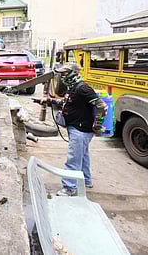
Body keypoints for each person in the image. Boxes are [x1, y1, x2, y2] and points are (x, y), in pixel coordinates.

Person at [36, 62, 107, 196]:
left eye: (65, 74)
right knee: (83, 156)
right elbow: (67, 102)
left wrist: (97, 124)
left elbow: (101, 105)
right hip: (76, 128)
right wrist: (50, 101)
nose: (62, 77)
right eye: (61, 74)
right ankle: (86, 180)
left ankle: (69, 187)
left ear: (74, 73)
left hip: (81, 130)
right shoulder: (72, 87)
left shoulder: (82, 88)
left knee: (73, 159)